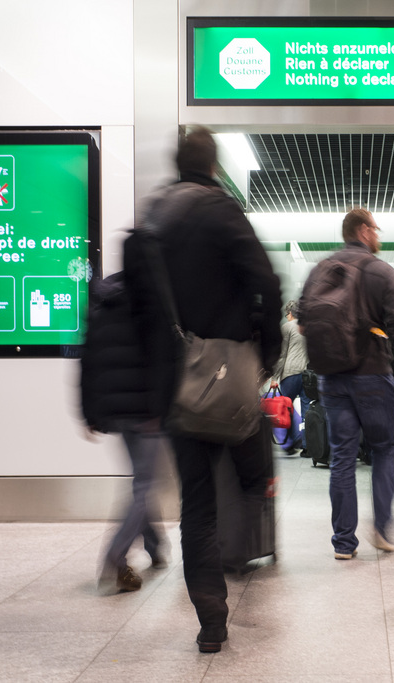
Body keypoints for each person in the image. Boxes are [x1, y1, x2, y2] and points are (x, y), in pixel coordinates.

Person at [124, 126, 283, 653]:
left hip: (173, 387)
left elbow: (136, 312)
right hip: (229, 375)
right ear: (214, 166)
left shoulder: (151, 220)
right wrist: (266, 348)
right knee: (248, 462)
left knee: (196, 506)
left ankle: (211, 616)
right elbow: (268, 279)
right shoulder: (222, 211)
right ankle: (254, 494)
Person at [297, 208, 394, 559]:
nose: (378, 236)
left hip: (332, 378)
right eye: (376, 230)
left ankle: (344, 544)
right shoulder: (381, 271)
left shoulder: (320, 270)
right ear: (364, 230)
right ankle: (382, 527)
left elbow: (303, 324)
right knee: (383, 449)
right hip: (373, 374)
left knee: (343, 457)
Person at [80, 271, 169, 594]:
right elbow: (160, 359)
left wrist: (90, 413)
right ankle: (115, 556)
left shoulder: (101, 302)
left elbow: (86, 362)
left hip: (115, 412)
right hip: (145, 411)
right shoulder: (148, 304)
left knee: (142, 479)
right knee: (145, 484)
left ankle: (157, 547)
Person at [271, 300, 312, 455]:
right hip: (306, 374)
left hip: (289, 373)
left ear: (290, 313)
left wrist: (275, 377)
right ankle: (307, 446)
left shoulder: (287, 327)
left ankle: (288, 444)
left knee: (284, 408)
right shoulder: (307, 328)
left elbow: (282, 355)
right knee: (307, 409)